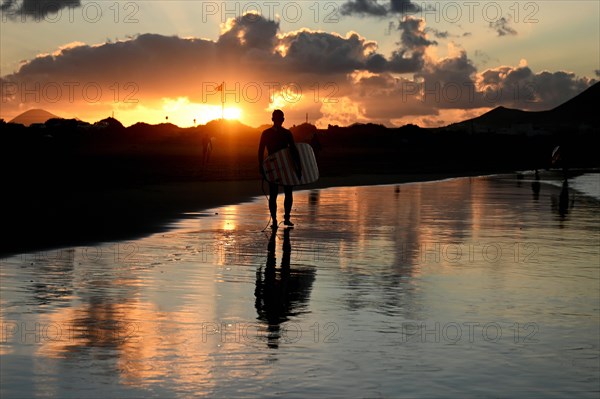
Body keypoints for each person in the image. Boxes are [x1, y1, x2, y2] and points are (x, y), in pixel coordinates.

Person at [258, 110, 302, 228]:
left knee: (277, 194)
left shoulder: (268, 133)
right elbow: (294, 151)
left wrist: (261, 167)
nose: (278, 121)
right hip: (279, 167)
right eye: (278, 119)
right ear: (281, 120)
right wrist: (298, 168)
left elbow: (261, 151)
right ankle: (282, 219)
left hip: (279, 167)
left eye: (279, 119)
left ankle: (277, 221)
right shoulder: (285, 133)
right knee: (283, 193)